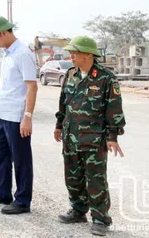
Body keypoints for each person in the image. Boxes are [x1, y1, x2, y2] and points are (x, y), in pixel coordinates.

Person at [54, 36, 125, 236]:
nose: (71, 56)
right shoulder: (70, 74)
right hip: (71, 137)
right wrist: (59, 125)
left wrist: (113, 136)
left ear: (87, 54)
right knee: (72, 177)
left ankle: (101, 219)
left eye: (74, 52)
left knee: (95, 180)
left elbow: (114, 109)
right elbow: (63, 103)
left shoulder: (106, 78)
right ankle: (78, 210)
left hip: (94, 139)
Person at [0, 16, 38, 214]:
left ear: (4, 33)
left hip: (17, 117)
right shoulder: (8, 53)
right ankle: (3, 192)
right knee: (1, 155)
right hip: (3, 115)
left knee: (21, 159)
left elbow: (31, 87)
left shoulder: (23, 53)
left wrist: (27, 116)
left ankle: (22, 200)